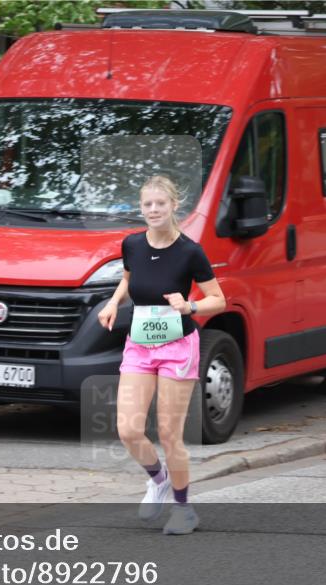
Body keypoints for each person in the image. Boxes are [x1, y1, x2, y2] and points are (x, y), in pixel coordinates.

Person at [97, 175, 226, 535]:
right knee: (128, 429)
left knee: (169, 435)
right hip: (140, 343)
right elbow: (128, 279)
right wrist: (112, 304)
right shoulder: (133, 245)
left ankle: (184, 510)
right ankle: (158, 479)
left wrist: (190, 306)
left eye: (160, 204)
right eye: (147, 205)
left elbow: (219, 299)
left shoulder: (190, 251)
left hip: (177, 346)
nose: (153, 210)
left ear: (173, 206)